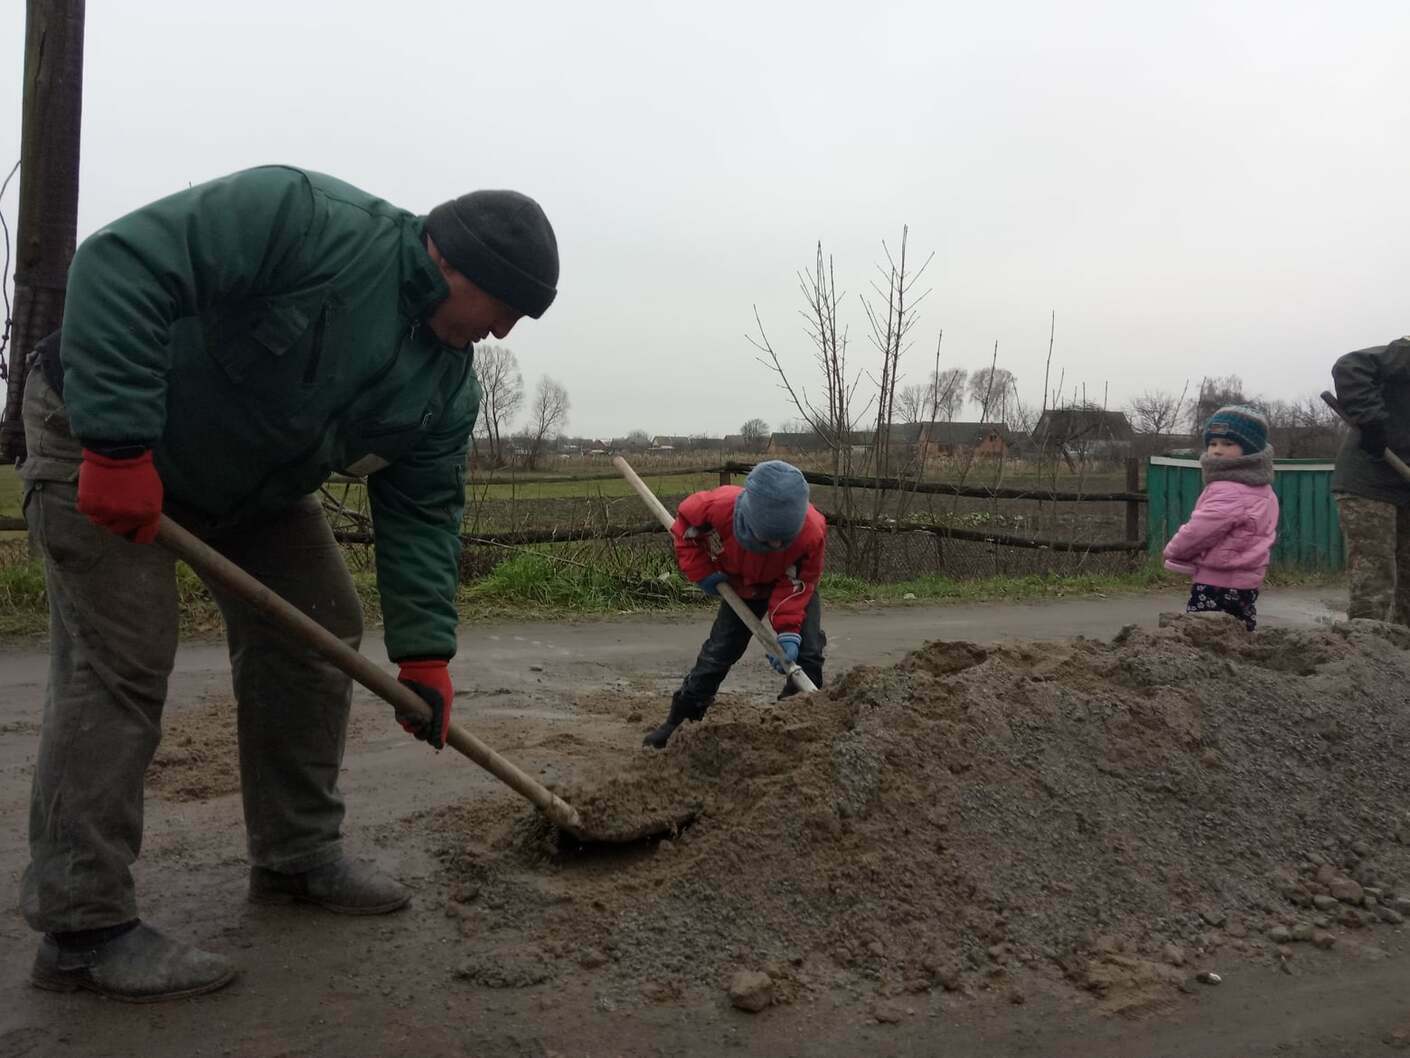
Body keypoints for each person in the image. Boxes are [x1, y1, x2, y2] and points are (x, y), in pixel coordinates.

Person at [16, 165, 559, 1001]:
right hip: (103, 433)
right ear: (456, 265)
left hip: (250, 483)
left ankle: (296, 855)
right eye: (505, 308)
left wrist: (425, 655)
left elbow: (421, 516)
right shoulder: (303, 219)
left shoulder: (445, 385)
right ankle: (82, 929)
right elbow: (120, 263)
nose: (503, 332)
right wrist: (117, 442)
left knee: (319, 625)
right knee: (119, 662)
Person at [643, 460, 827, 749]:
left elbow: (799, 582)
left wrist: (789, 631)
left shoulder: (811, 532)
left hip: (790, 585)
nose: (775, 546)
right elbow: (685, 534)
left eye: (783, 540)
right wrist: (703, 572)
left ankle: (795, 724)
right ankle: (681, 721)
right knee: (717, 654)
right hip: (740, 585)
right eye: (768, 538)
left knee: (808, 652)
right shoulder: (715, 508)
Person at [1162, 405, 1279, 631]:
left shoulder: (1229, 490)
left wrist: (1174, 550)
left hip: (1217, 582)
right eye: (1213, 443)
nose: (1217, 450)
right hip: (1247, 581)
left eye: (1227, 444)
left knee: (1202, 633)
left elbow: (1200, 530)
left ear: (1250, 449)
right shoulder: (1263, 489)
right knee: (1239, 632)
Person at [1330, 335, 1410, 624]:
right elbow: (1351, 366)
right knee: (1375, 582)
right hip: (1369, 480)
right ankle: (1366, 645)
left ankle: (1400, 649)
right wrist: (1372, 421)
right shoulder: (1405, 353)